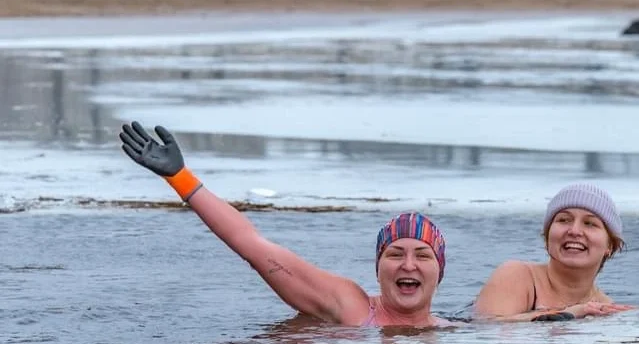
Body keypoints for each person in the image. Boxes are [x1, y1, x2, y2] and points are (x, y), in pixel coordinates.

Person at [119, 121, 449, 328]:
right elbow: (253, 246)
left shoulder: (454, 334)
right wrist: (181, 178)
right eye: (395, 254)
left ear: (440, 270)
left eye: (422, 255)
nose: (408, 264)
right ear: (378, 268)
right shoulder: (352, 309)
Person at [473, 183, 639, 322]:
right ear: (547, 237)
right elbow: (486, 330)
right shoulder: (517, 275)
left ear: (609, 246)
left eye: (590, 224)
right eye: (564, 220)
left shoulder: (603, 305)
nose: (574, 231)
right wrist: (567, 314)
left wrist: (637, 316)